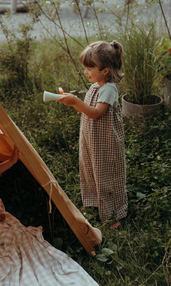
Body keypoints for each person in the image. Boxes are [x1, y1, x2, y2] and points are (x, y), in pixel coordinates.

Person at [57, 40, 128, 229]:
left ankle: (113, 213)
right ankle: (97, 202)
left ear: (105, 70)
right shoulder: (96, 86)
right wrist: (73, 101)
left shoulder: (109, 89)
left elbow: (96, 114)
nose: (86, 72)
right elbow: (89, 111)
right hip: (92, 139)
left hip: (106, 143)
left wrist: (75, 102)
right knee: (91, 169)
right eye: (85, 68)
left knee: (107, 174)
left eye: (90, 68)